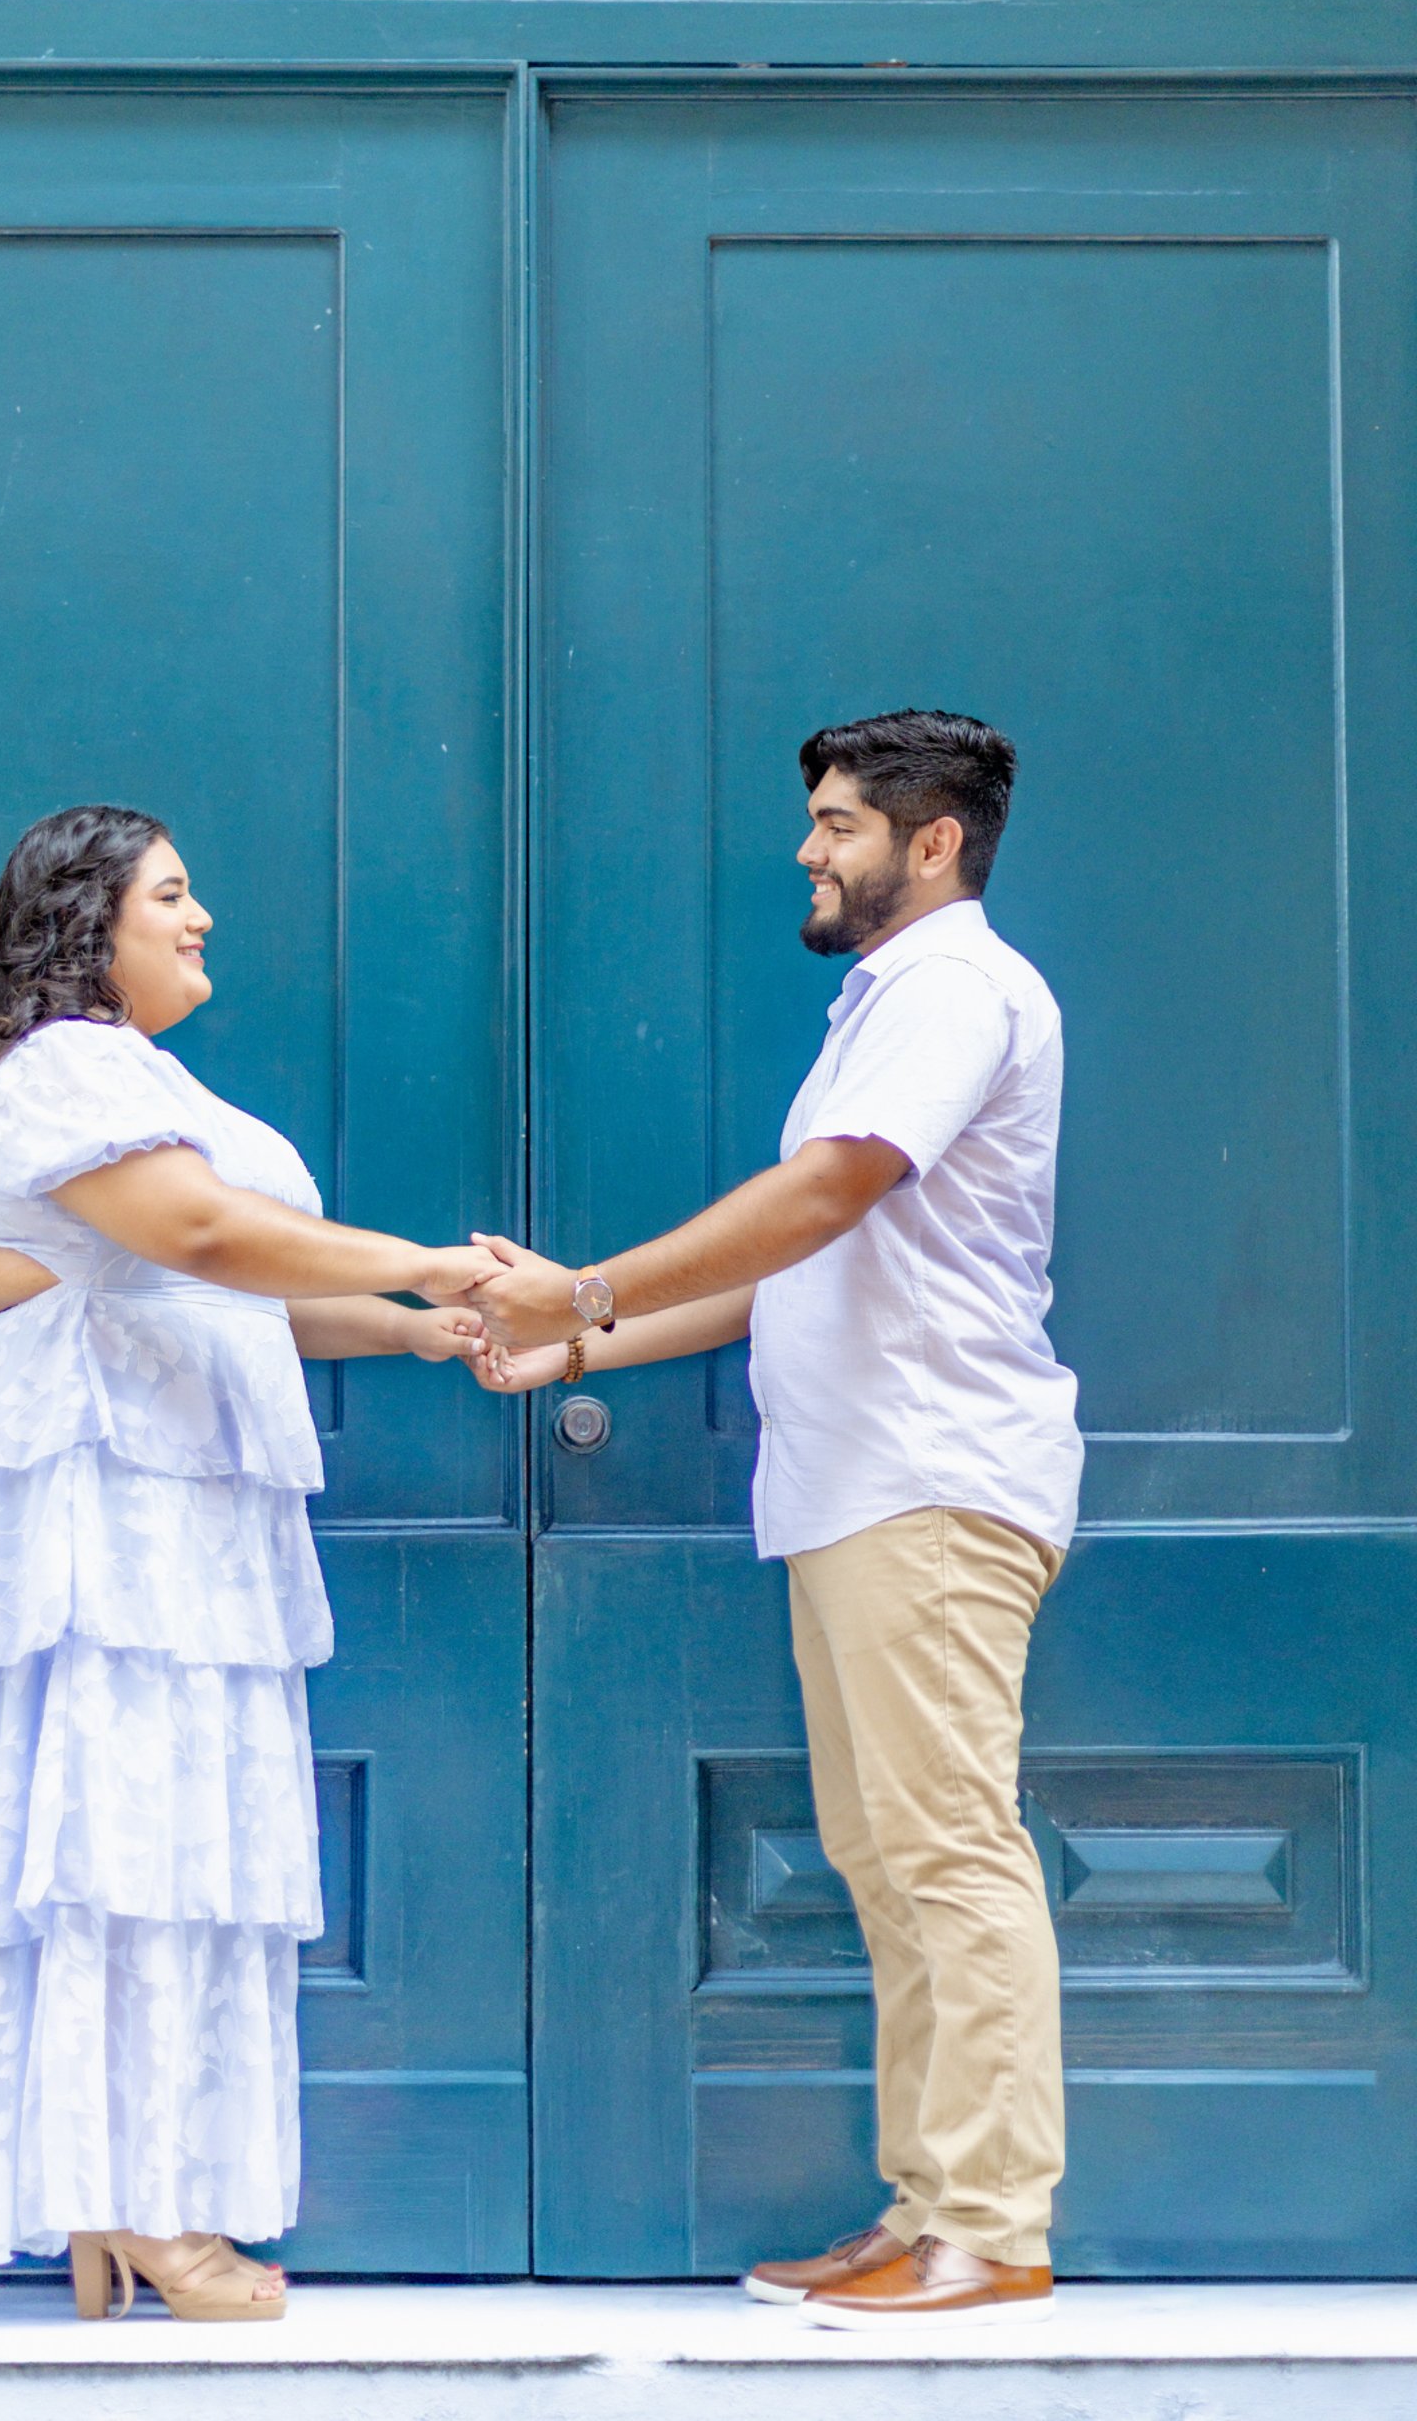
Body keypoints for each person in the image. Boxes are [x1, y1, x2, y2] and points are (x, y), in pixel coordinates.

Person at [472, 710, 1081, 2330]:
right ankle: (929, 2206)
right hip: (862, 1486)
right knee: (893, 1861)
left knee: (946, 1851)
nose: (809, 850)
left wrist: (586, 1282)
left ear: (930, 840)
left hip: (929, 1477)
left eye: (835, 823)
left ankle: (992, 2224)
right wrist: (581, 1343)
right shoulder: (889, 1004)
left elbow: (828, 1195)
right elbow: (793, 1264)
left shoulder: (952, 991)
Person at [0, 804, 499, 2321]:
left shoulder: (135, 1079)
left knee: (160, 1845)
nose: (201, 915)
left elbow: (225, 1291)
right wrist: (439, 1258)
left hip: (177, 1514)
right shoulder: (69, 1069)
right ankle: (133, 2196)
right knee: (124, 1837)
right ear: (90, 924)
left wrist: (425, 1329)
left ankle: (129, 2195)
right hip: (112, 1525)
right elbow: (204, 1236)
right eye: (172, 892)